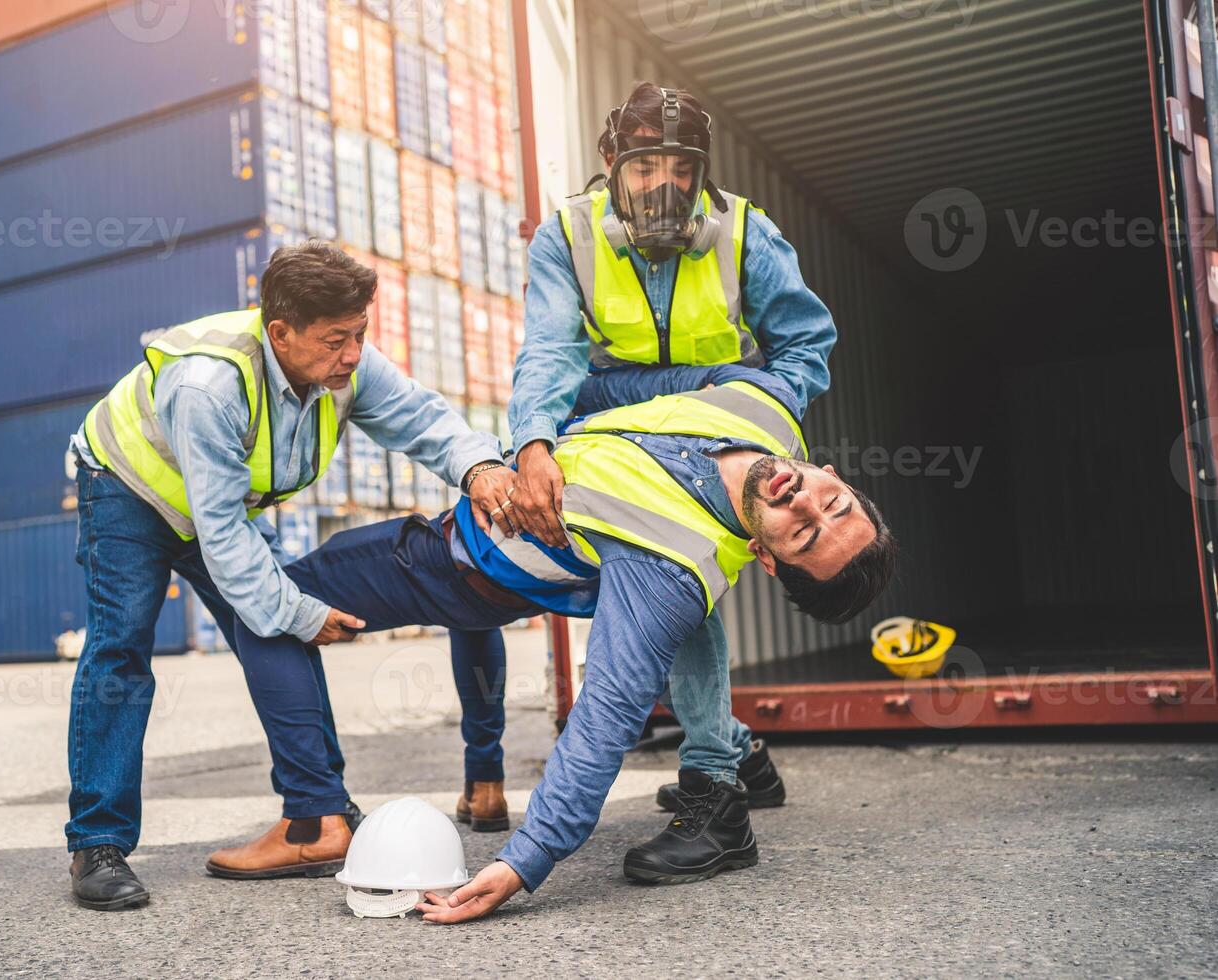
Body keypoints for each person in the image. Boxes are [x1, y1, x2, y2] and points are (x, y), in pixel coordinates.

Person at [199, 372, 896, 923]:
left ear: (766, 558)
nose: (805, 503)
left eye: (803, 533)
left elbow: (605, 717)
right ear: (836, 473)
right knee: (467, 615)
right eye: (833, 503)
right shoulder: (762, 407)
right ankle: (486, 782)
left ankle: (314, 814)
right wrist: (534, 435)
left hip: (459, 560)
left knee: (265, 605)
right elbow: (610, 389)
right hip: (475, 548)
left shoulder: (672, 572)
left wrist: (523, 862)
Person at [61, 242, 518, 910]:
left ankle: (319, 815)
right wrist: (301, 611)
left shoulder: (341, 361)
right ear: (280, 333)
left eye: (360, 334)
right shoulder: (209, 386)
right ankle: (96, 843)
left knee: (273, 618)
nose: (354, 354)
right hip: (129, 485)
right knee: (123, 646)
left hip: (218, 504)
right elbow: (220, 536)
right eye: (338, 340)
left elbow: (422, 419)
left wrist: (479, 468)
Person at [500, 82, 840, 851]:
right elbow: (550, 352)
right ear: (612, 161)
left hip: (715, 425)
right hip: (618, 421)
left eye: (682, 168)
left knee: (676, 578)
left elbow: (806, 345)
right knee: (660, 584)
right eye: (646, 164)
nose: (666, 184)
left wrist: (751, 406)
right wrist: (532, 445)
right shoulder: (568, 237)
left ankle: (715, 778)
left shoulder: (745, 232)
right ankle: (736, 750)